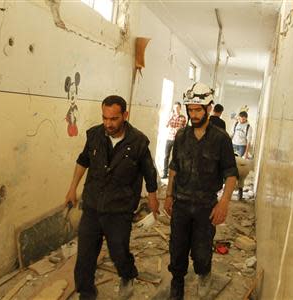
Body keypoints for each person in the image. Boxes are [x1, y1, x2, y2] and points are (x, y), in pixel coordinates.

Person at [65, 95, 159, 300]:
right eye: (105, 118)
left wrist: (153, 198)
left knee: (118, 251)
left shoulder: (138, 141)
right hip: (93, 203)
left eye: (114, 119)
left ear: (125, 115)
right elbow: (83, 161)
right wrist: (72, 188)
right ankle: (87, 293)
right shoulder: (95, 135)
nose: (108, 123)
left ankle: (128, 274)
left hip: (120, 207)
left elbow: (149, 172)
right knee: (85, 255)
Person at [164, 82, 238, 299]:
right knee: (177, 248)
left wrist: (223, 203)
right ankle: (177, 282)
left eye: (198, 110)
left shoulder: (221, 139)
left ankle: (203, 274)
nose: (194, 114)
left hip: (206, 205)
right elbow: (174, 168)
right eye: (191, 109)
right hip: (181, 203)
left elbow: (231, 174)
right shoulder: (181, 136)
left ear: (208, 108)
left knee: (202, 250)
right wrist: (168, 195)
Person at [162, 102, 187, 179]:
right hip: (169, 138)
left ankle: (175, 173)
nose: (176, 109)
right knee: (166, 156)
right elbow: (166, 125)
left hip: (178, 139)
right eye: (175, 107)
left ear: (180, 108)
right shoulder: (171, 117)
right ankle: (165, 173)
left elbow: (185, 129)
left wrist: (179, 130)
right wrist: (170, 117)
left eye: (177, 107)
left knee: (176, 156)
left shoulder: (183, 118)